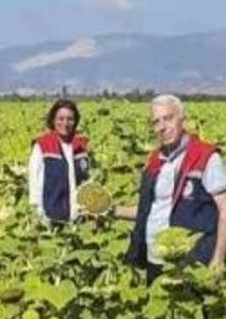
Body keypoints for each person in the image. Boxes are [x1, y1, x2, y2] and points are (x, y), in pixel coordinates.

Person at [113, 95, 226, 282]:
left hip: (193, 261)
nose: (162, 127)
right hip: (155, 258)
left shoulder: (205, 156)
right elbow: (149, 210)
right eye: (156, 122)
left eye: (168, 118)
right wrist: (112, 210)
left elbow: (224, 210)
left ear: (183, 119)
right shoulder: (155, 160)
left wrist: (218, 261)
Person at [27, 99, 92, 223]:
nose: (65, 123)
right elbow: (34, 185)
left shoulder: (81, 146)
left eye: (70, 119)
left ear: (76, 121)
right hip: (51, 220)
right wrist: (39, 217)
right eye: (60, 119)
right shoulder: (42, 145)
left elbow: (87, 181)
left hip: (79, 219)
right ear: (53, 120)